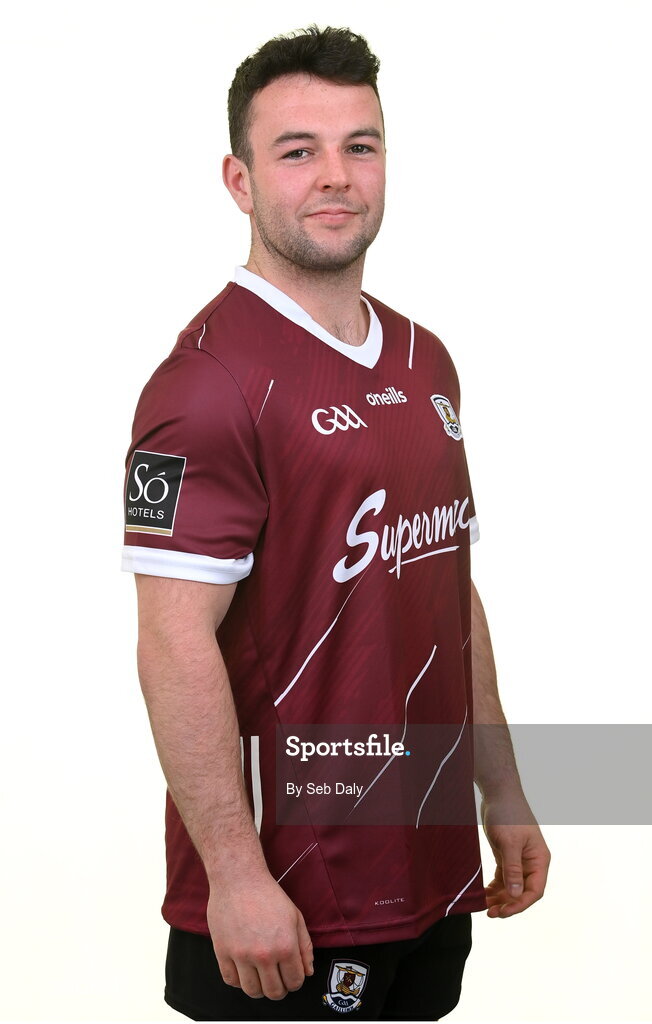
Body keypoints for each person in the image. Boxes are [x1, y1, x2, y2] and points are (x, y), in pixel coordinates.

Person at [122, 24, 551, 1022]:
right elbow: (171, 640)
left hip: (430, 864)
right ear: (239, 179)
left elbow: (448, 590)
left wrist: (503, 792)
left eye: (359, 145)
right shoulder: (208, 383)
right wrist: (233, 875)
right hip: (288, 900)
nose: (335, 176)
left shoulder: (424, 358)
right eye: (297, 150)